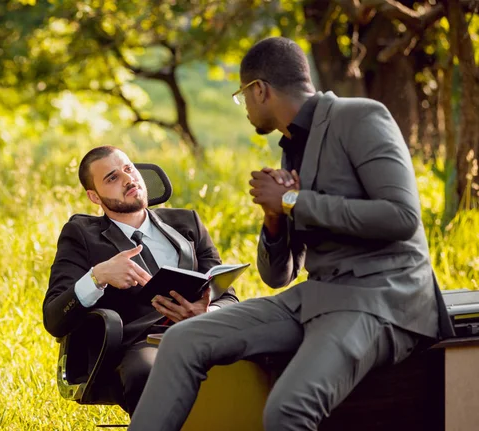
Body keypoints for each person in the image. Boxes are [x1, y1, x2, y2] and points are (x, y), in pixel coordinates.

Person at [128, 37, 454, 430]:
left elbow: (402, 218)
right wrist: (274, 218)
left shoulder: (362, 116)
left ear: (259, 90)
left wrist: (294, 201)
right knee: (183, 341)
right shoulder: (293, 148)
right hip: (316, 296)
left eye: (242, 97)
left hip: (380, 298)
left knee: (287, 410)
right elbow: (278, 276)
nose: (245, 108)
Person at [42, 145, 239, 416]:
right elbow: (54, 318)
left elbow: (227, 295)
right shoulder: (82, 235)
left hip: (204, 332)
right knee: (153, 372)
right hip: (140, 345)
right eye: (112, 178)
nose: (128, 179)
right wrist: (98, 276)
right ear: (94, 197)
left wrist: (207, 313)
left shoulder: (188, 223)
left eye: (129, 169)